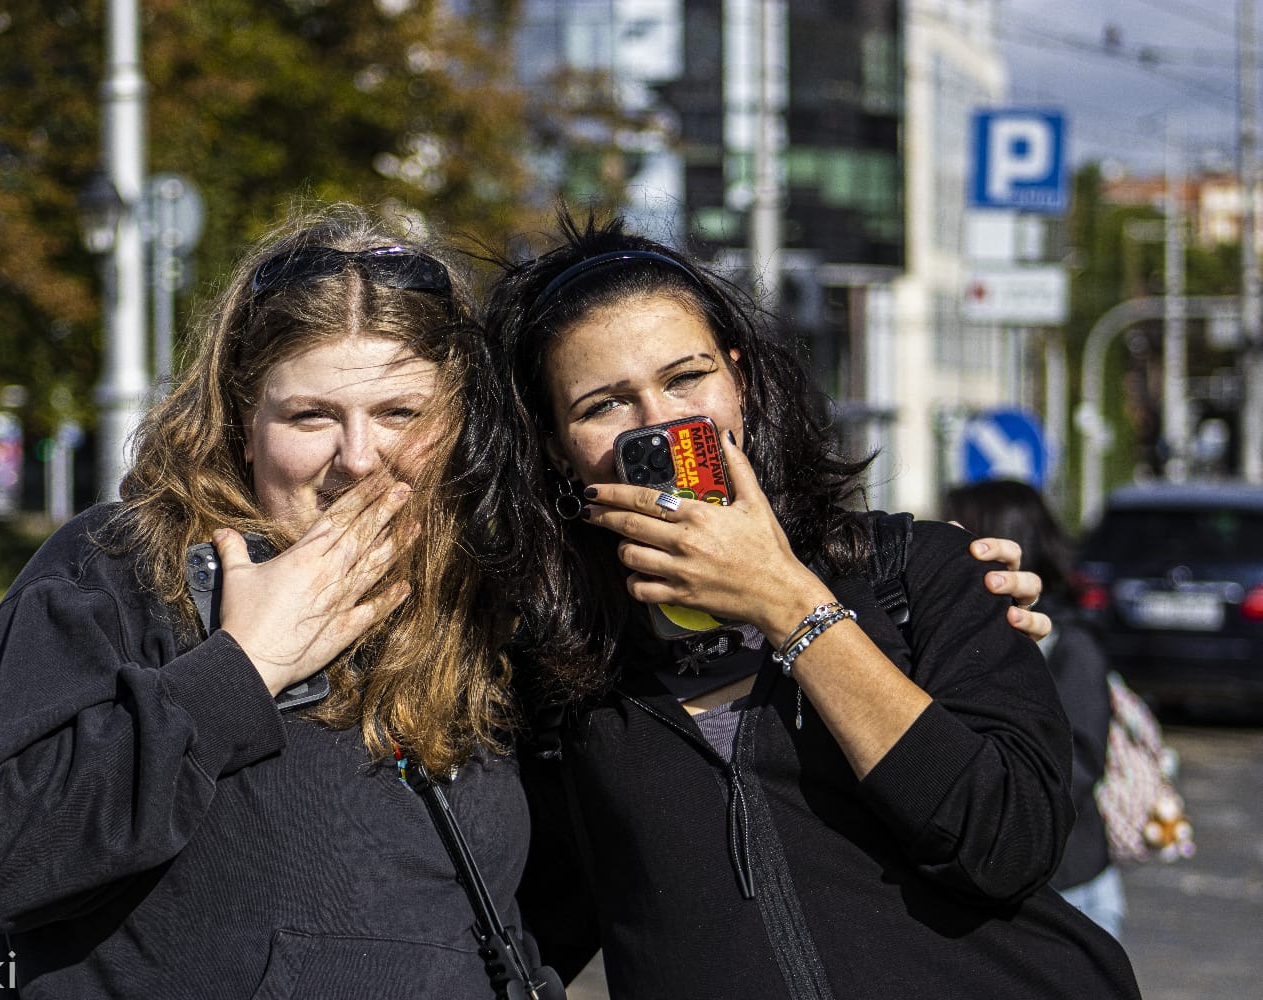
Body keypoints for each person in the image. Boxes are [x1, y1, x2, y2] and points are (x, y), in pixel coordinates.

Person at [485, 212, 1141, 999]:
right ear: (555, 442)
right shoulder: (560, 668)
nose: (659, 425)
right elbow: (514, 932)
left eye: (686, 378)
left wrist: (790, 605)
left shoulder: (915, 570)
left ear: (741, 382)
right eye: (604, 405)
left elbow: (1008, 843)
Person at [0, 205, 541, 998]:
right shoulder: (119, 570)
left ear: (461, 422)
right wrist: (242, 668)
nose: (358, 459)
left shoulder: (479, 603)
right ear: (241, 419)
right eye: (310, 416)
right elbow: (4, 860)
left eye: (401, 413)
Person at [943, 478, 1125, 942]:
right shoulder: (962, 634)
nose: (941, 539)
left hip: (1068, 886)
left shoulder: (1069, 640)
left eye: (960, 528)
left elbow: (1079, 766)